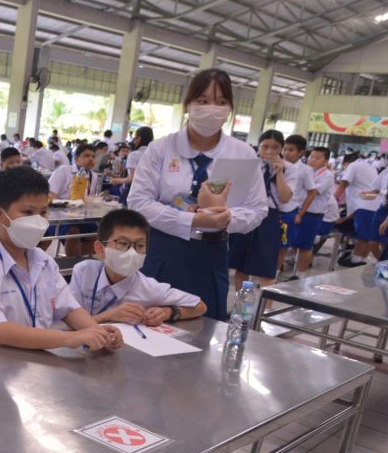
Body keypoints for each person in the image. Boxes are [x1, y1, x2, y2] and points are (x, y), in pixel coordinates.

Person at [127, 68, 266, 322]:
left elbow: (257, 209)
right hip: (162, 250)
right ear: (188, 104)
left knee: (204, 327)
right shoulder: (161, 148)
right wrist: (192, 220)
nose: (212, 109)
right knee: (150, 323)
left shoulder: (242, 153)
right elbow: (138, 202)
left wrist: (226, 217)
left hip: (210, 254)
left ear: (230, 108)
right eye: (203, 100)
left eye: (221, 102)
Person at [0, 167, 123, 354]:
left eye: (43, 212)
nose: (38, 221)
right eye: (27, 212)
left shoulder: (44, 262)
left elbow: (69, 309)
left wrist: (96, 331)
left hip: (31, 356)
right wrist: (70, 338)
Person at [70, 209, 206, 325]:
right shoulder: (84, 272)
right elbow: (68, 323)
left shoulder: (149, 289)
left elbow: (200, 306)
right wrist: (109, 316)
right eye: (122, 243)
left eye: (140, 245)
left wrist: (168, 312)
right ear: (100, 249)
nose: (132, 252)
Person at [228, 130, 293, 291]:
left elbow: (285, 197)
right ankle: (241, 303)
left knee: (267, 269)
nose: (270, 151)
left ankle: (265, 306)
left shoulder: (290, 168)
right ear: (259, 147)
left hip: (269, 218)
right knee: (241, 267)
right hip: (247, 213)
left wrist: (279, 173)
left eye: (275, 147)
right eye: (265, 147)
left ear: (281, 148)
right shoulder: (250, 165)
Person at [275, 135, 316, 275]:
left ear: (301, 152)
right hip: (273, 209)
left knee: (282, 246)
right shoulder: (277, 164)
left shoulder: (305, 170)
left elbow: (312, 193)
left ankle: (274, 274)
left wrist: (300, 214)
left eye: (291, 150)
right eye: (285, 149)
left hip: (289, 211)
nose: (286, 153)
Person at [293, 147, 334, 275]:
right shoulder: (306, 171)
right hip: (298, 210)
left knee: (305, 246)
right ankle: (295, 269)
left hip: (313, 214)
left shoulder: (327, 175)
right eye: (311, 156)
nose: (313, 160)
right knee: (293, 242)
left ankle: (300, 275)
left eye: (317, 158)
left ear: (325, 161)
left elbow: (314, 192)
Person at [335, 151, 381, 265]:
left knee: (362, 236)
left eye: (343, 166)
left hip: (364, 205)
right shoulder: (370, 166)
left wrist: (333, 199)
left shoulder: (353, 165)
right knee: (367, 236)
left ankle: (355, 260)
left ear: (346, 162)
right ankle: (362, 259)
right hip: (374, 205)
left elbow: (343, 184)